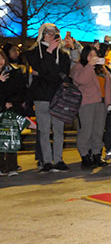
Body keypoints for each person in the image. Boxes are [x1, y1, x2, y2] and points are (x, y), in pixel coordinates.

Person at [25, 23, 71, 172]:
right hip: (42, 96)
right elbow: (42, 69)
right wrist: (49, 52)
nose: (51, 36)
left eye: (54, 33)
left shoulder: (63, 54)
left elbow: (63, 74)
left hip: (58, 96)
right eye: (48, 33)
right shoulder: (34, 52)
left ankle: (58, 159)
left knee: (59, 130)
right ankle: (46, 161)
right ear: (42, 34)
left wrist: (44, 73)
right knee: (44, 130)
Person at [71, 46, 111, 170]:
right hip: (86, 103)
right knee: (86, 130)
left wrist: (109, 101)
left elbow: (108, 85)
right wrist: (89, 66)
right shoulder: (78, 67)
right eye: (90, 54)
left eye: (95, 55)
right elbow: (81, 80)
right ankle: (85, 156)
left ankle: (97, 155)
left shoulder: (102, 68)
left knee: (98, 131)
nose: (93, 57)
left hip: (101, 104)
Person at [0, 49, 27, 176]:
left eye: (1, 58)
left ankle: (12, 165)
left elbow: (19, 90)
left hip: (10, 110)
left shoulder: (12, 72)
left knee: (11, 138)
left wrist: (12, 103)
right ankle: (2, 166)